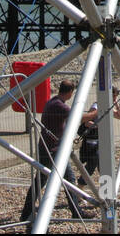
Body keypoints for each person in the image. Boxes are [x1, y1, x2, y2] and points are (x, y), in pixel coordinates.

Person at [21, 80, 93, 221]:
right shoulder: (59, 106)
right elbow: (77, 117)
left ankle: (75, 212)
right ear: (70, 92)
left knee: (48, 180)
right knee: (51, 181)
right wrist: (96, 112)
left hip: (51, 147)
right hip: (53, 150)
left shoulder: (53, 102)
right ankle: (75, 212)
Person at [77, 88, 120, 181]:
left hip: (100, 141)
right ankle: (81, 185)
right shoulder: (96, 106)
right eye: (113, 96)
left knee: (102, 166)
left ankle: (106, 188)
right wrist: (99, 126)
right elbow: (86, 122)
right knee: (92, 165)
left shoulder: (108, 106)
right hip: (91, 142)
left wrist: (115, 104)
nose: (114, 98)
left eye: (115, 97)